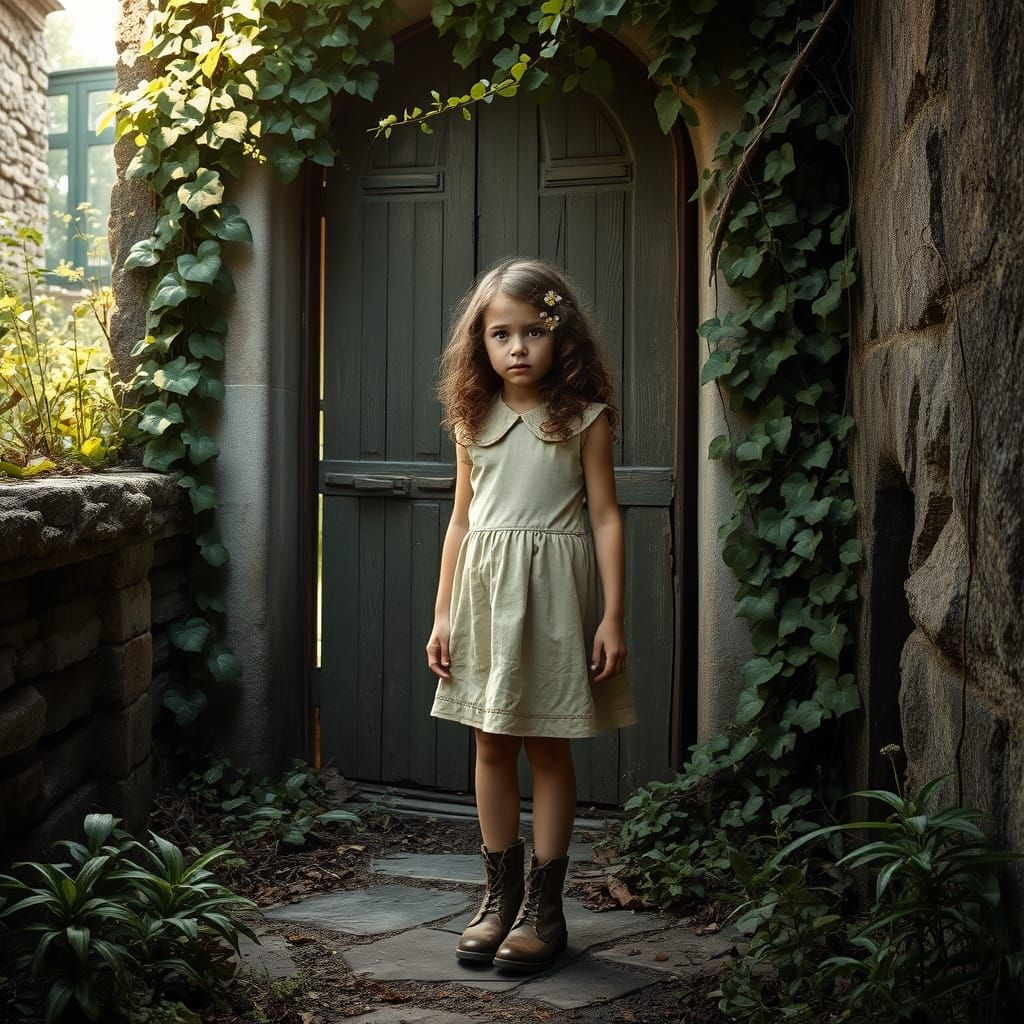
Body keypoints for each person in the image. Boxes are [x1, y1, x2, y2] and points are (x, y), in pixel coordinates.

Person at [425, 256, 639, 973]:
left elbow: (605, 518)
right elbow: (460, 521)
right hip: (484, 597)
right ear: (480, 343)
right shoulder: (472, 420)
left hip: (552, 599)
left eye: (533, 332)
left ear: (561, 335)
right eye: (500, 334)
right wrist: (442, 614)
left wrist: (613, 616)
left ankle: (544, 911)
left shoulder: (585, 420)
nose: (517, 348)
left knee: (547, 746)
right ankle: (498, 900)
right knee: (489, 742)